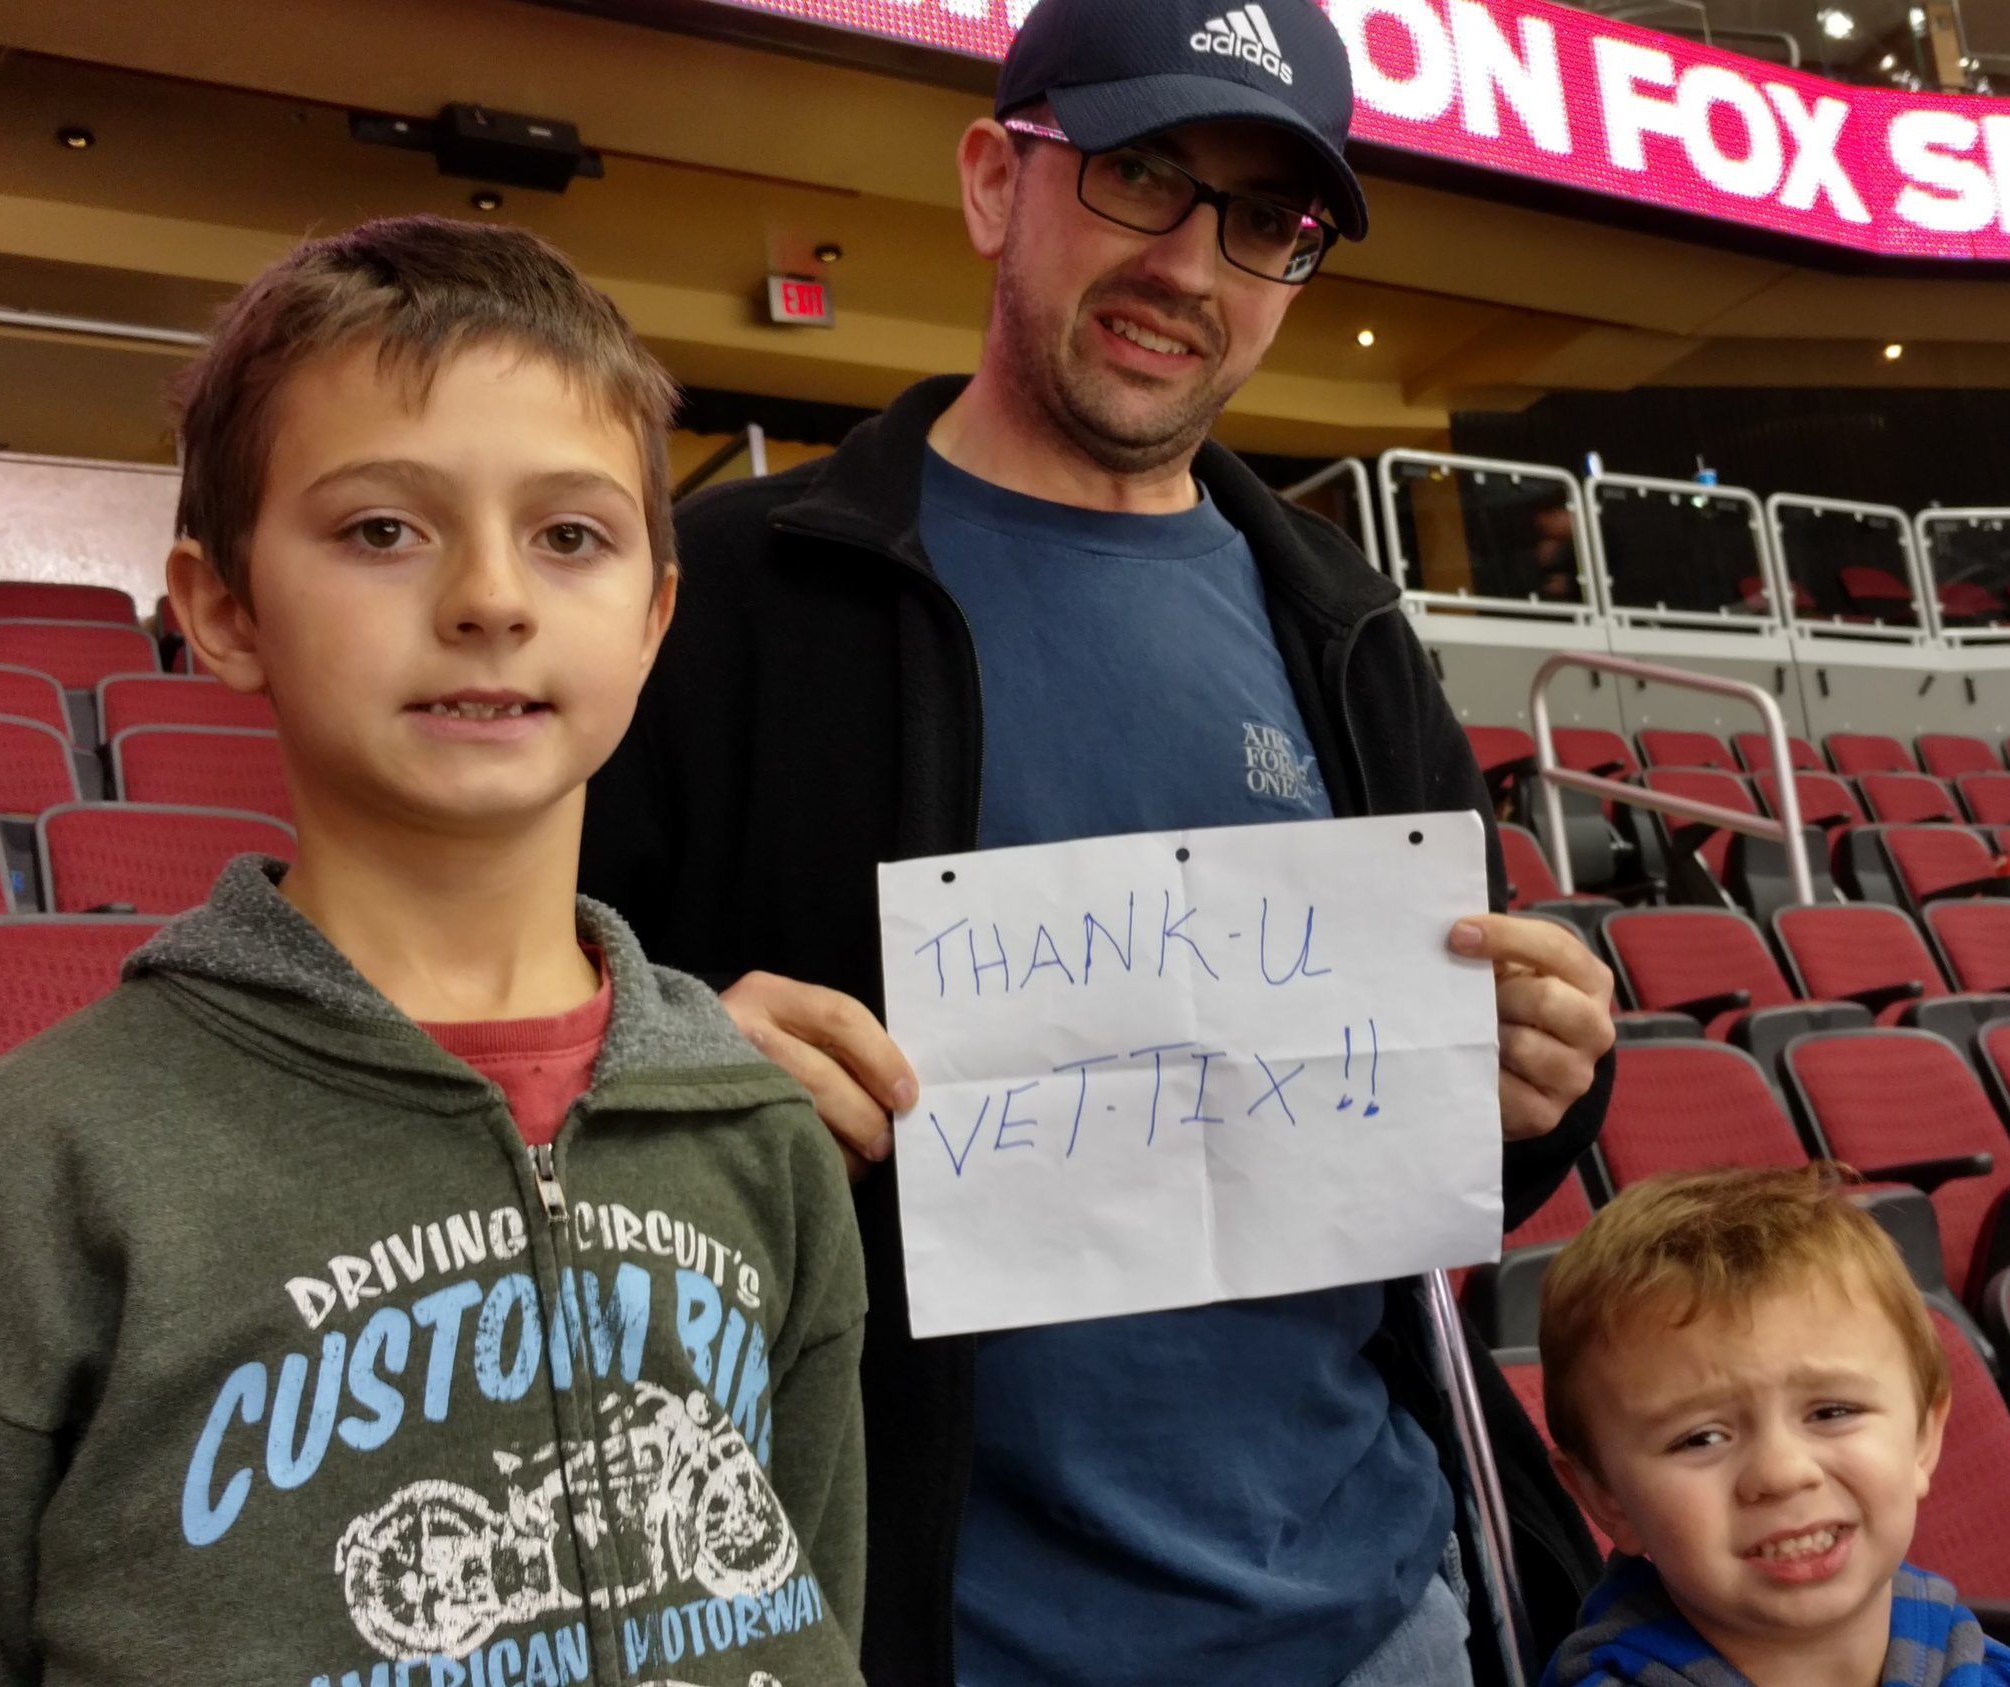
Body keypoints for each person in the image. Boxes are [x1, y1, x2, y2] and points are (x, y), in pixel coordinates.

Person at [578, 0, 1618, 1681]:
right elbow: (510, 1052)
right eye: (1140, 174)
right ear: (996, 181)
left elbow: (1428, 1147)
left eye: (1267, 221)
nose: (1191, 267)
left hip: (1372, 1613)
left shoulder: (1349, 631)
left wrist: (1544, 1078)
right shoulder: (732, 596)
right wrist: (674, 1066)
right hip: (918, 1628)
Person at [0, 217, 868, 1685]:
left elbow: (810, 1591)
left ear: (653, 617)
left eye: (570, 535)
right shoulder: (30, 1167)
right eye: (382, 529)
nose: (491, 596)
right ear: (222, 608)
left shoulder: (757, 1130)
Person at [1536, 1170, 2010, 1687]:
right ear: (1605, 1497)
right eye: (1700, 1438)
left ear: (1923, 1436)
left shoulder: (1994, 1673)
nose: (1782, 1473)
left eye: (1832, 1412)